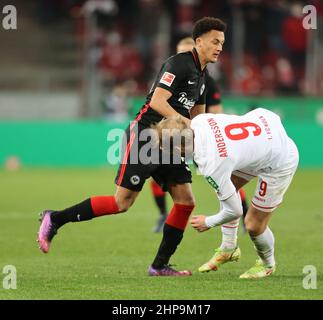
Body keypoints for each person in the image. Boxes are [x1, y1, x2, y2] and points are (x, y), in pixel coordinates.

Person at [37, 17, 226, 276]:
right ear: (199, 41)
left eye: (223, 43)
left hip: (171, 143)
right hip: (146, 136)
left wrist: (202, 139)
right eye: (215, 41)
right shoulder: (178, 64)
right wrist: (184, 122)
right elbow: (158, 101)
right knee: (121, 203)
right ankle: (55, 218)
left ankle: (159, 266)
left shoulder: (203, 77)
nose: (219, 47)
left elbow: (200, 117)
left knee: (185, 202)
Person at [152, 108, 298, 278]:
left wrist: (208, 221)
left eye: (165, 148)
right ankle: (228, 248)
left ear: (177, 148)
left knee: (253, 224)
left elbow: (236, 211)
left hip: (280, 158)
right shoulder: (199, 121)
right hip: (264, 126)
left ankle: (267, 264)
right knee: (228, 189)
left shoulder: (211, 163)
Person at [151, 37, 249, 233]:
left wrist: (204, 132)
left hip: (198, 139)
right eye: (181, 54)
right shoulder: (169, 74)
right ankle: (163, 215)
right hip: (174, 136)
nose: (185, 59)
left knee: (228, 176)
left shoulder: (207, 81)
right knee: (156, 173)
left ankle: (244, 216)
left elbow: (216, 114)